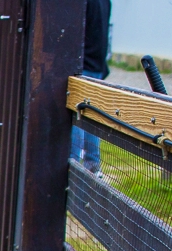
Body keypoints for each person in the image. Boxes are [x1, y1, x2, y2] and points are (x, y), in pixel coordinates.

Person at [72, 0, 111, 174]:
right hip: (96, 64)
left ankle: (73, 163)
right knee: (92, 117)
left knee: (77, 117)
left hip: (83, 64)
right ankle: (92, 166)